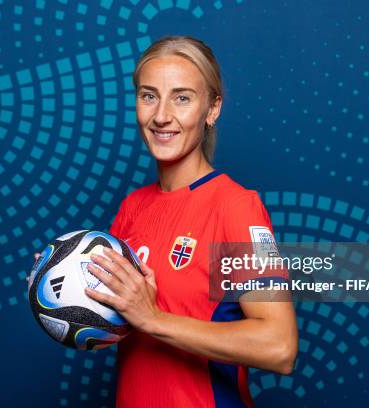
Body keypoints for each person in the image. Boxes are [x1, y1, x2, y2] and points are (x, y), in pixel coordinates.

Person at [83, 35, 298, 408]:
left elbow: (279, 347)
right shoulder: (133, 208)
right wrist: (59, 287)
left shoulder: (235, 207)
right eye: (149, 95)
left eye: (182, 98)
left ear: (212, 109)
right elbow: (116, 321)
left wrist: (154, 319)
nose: (161, 115)